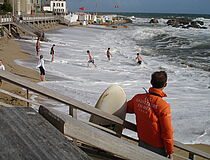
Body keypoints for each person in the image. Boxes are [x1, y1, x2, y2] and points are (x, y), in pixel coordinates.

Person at [126, 71, 174, 159]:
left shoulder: (138, 98)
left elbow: (125, 108)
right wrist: (170, 150)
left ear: (151, 82)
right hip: (158, 146)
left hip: (142, 140)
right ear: (165, 84)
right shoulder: (163, 106)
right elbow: (167, 131)